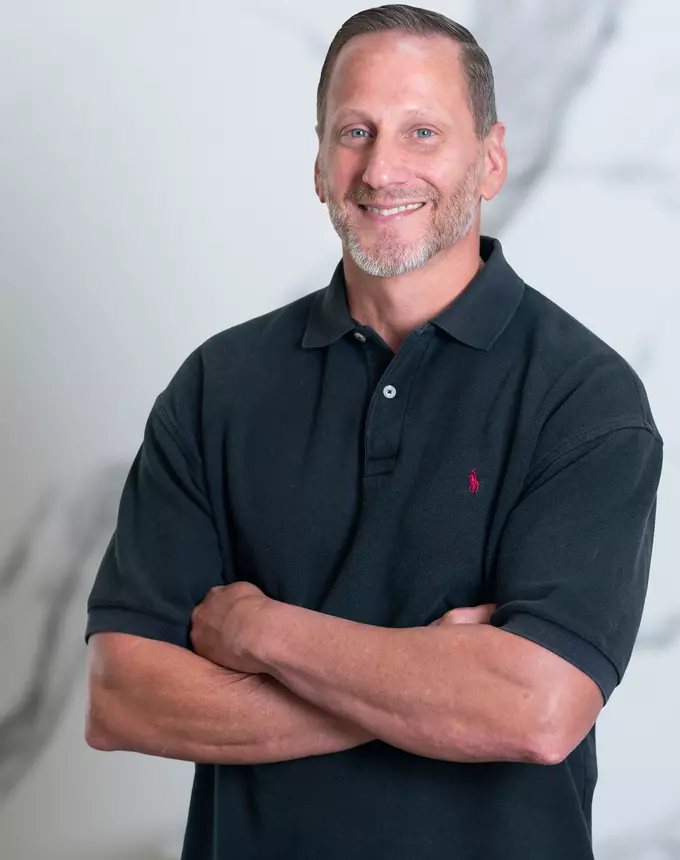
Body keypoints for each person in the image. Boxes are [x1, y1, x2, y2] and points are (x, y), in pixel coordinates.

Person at [84, 5, 663, 859]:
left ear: (491, 157)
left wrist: (261, 634)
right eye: (355, 131)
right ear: (319, 164)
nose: (382, 167)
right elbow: (122, 697)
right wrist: (431, 681)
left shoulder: (584, 397)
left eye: (422, 131)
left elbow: (537, 711)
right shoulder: (220, 385)